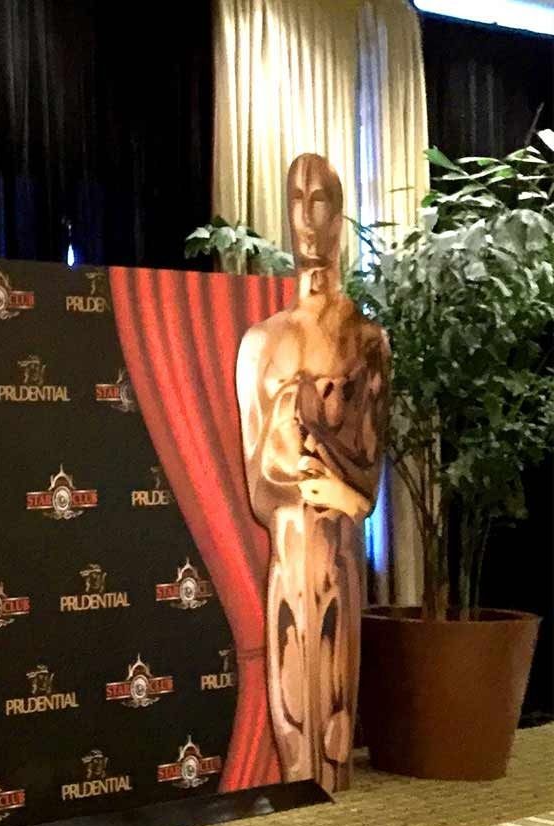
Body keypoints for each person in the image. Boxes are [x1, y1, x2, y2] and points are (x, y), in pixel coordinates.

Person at [235, 152, 387, 792]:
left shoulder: (367, 340)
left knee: (335, 705)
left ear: (339, 211)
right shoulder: (260, 342)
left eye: (320, 198)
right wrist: (306, 485)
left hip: (341, 552)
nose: (307, 216)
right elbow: (255, 480)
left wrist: (335, 486)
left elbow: (369, 486)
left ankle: (333, 803)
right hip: (289, 550)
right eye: (295, 199)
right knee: (294, 708)